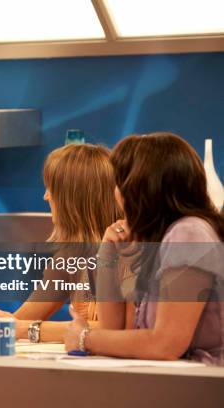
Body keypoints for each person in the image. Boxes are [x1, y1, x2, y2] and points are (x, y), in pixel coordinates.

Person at [64, 132, 224, 365]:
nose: (115, 194)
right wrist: (108, 254)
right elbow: (114, 331)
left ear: (139, 189)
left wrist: (84, 338)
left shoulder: (188, 233)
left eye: (119, 184)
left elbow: (165, 344)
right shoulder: (163, 239)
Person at [0, 144, 122, 342]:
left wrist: (24, 329)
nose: (45, 196)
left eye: (51, 188)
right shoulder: (69, 257)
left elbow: (110, 330)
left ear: (73, 199)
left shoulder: (126, 252)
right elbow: (21, 320)